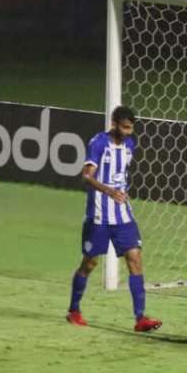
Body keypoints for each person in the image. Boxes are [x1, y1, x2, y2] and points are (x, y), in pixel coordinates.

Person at [66, 105, 162, 332]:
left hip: (122, 212)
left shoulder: (130, 144)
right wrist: (109, 190)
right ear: (114, 124)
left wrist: (121, 190)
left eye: (131, 128)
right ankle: (74, 310)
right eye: (124, 127)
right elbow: (87, 176)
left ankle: (140, 318)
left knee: (135, 258)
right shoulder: (98, 143)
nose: (128, 132)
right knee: (90, 263)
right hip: (99, 214)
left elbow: (121, 175)